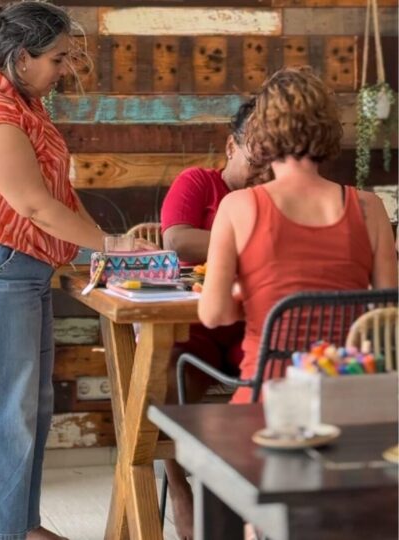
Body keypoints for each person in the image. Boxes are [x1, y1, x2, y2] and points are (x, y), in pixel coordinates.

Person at [0, 3, 111, 539]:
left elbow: (60, 197)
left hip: (22, 272)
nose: (63, 71)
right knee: (3, 419)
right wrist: (111, 246)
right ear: (21, 57)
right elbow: (31, 203)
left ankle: (17, 526)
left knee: (29, 413)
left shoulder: (24, 99)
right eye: (56, 59)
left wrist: (103, 248)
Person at [198, 66, 398, 408]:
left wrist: (249, 295)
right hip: (346, 399)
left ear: (260, 132)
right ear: (328, 128)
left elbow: (215, 315)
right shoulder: (370, 207)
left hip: (267, 399)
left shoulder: (238, 206)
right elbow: (387, 311)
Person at [160, 97, 261, 540]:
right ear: (230, 147)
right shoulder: (198, 182)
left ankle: (254, 499)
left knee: (280, 381)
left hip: (251, 327)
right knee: (160, 385)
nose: (266, 169)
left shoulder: (274, 194)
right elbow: (177, 241)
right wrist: (253, 243)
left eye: (276, 158)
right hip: (195, 324)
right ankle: (179, 486)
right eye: (257, 157)